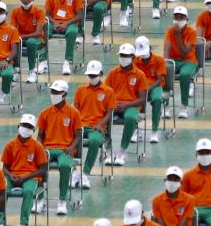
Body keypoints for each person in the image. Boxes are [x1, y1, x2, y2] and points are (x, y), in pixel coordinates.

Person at [37, 79, 82, 216]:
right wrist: (40, 148)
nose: (53, 94)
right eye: (52, 92)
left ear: (64, 94)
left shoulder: (73, 113)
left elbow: (78, 135)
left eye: (56, 92)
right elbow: (40, 135)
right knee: (38, 166)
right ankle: (40, 199)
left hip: (65, 150)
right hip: (48, 149)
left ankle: (62, 200)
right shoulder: (45, 113)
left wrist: (71, 147)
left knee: (64, 166)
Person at [1, 113, 48, 226]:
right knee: (2, 191)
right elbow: (4, 167)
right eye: (24, 125)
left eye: (29, 127)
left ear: (33, 130)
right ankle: (1, 225)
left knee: (28, 192)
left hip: (30, 178)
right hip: (13, 177)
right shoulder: (10, 145)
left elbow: (43, 169)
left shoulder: (37, 147)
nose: (26, 128)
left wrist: (26, 177)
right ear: (18, 126)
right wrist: (11, 175)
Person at [73, 61, 114, 189]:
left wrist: (101, 124)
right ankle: (75, 172)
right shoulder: (80, 90)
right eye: (90, 75)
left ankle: (85, 173)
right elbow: (75, 110)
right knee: (70, 139)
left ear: (101, 74)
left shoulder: (108, 92)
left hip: (96, 128)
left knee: (94, 141)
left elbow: (109, 113)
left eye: (94, 75)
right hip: (81, 126)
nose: (92, 78)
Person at [104, 44, 147, 166]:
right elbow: (106, 92)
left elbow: (142, 99)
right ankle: (108, 151)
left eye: (126, 56)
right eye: (121, 55)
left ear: (133, 57)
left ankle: (122, 151)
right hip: (114, 105)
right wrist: (113, 103)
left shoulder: (140, 75)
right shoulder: (113, 73)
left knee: (130, 118)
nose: (123, 58)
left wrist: (126, 105)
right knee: (103, 117)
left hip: (132, 106)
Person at [45, 0, 83, 75]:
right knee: (44, 30)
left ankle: (67, 61)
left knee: (72, 32)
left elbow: (79, 15)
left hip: (70, 23)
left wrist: (66, 23)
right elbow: (47, 14)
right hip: (55, 22)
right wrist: (54, 23)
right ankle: (43, 60)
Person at [133, 37, 166, 144]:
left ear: (149, 48)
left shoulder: (159, 60)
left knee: (157, 99)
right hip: (140, 88)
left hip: (154, 86)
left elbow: (159, 79)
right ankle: (136, 130)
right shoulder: (136, 61)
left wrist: (148, 88)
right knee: (131, 100)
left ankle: (154, 132)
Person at [13, 0, 46, 84]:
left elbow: (38, 33)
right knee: (14, 42)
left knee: (31, 42)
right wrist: (17, 38)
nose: (25, 0)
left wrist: (22, 37)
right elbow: (12, 30)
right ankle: (16, 70)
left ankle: (32, 71)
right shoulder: (15, 12)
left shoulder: (39, 12)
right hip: (22, 39)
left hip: (37, 40)